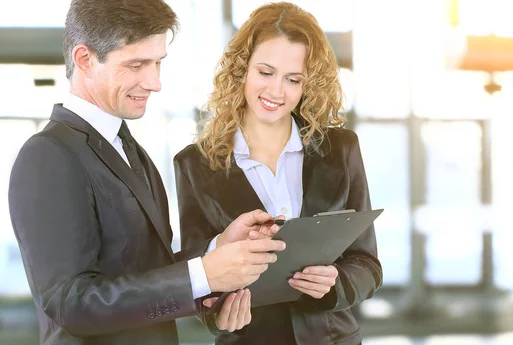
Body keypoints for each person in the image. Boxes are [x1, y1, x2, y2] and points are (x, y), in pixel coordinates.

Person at [8, 1, 285, 344]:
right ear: (84, 59)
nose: (154, 82)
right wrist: (202, 274)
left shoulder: (128, 149)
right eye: (136, 64)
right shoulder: (48, 156)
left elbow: (143, 273)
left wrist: (214, 253)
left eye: (157, 63)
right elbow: (70, 303)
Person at [173, 2, 382, 344]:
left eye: (293, 79)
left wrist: (334, 283)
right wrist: (218, 312)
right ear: (242, 70)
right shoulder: (195, 164)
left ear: (307, 84)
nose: (275, 91)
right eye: (265, 72)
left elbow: (368, 265)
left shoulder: (340, 150)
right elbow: (197, 279)